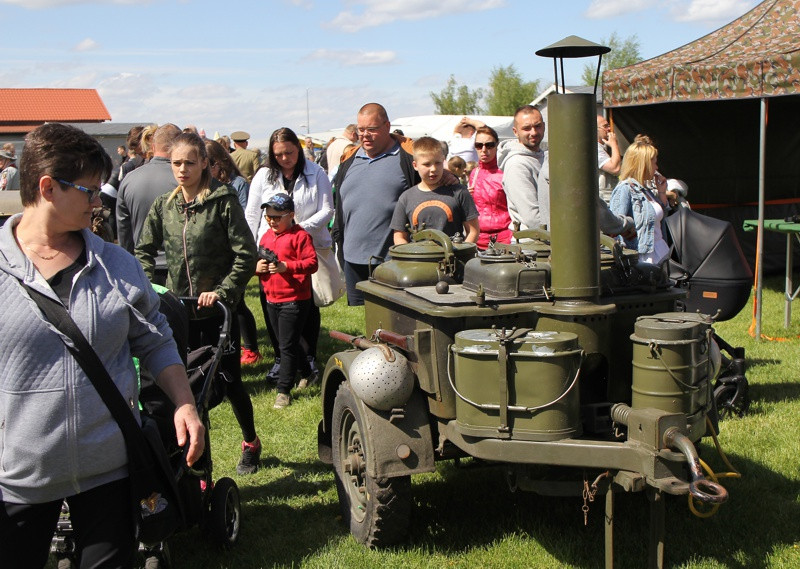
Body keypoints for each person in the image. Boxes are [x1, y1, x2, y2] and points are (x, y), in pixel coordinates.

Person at [0, 123, 203, 568]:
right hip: (19, 481)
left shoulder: (116, 264)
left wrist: (185, 404)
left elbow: (156, 340)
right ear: (47, 188)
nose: (98, 204)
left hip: (110, 474)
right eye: (89, 191)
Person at [135, 132, 261, 475]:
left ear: (205, 163)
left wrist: (223, 291)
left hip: (218, 313)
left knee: (230, 381)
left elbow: (245, 254)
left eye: (190, 162)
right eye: (176, 163)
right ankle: (197, 460)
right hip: (179, 311)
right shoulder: (165, 205)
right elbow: (143, 250)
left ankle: (250, 440)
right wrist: (151, 288)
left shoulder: (223, 201)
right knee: (189, 386)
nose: (182, 169)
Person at [246, 127, 333, 383]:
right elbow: (252, 213)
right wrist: (251, 249)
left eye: (290, 152)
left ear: (298, 149)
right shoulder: (263, 175)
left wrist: (295, 230)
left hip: (304, 246)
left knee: (305, 305)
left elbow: (327, 209)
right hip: (269, 248)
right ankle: (281, 358)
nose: (285, 158)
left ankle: (307, 358)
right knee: (271, 304)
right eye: (279, 154)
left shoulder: (316, 173)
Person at [332, 103, 421, 306]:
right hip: (353, 258)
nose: (365, 135)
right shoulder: (349, 160)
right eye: (361, 130)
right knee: (365, 321)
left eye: (372, 129)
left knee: (395, 318)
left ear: (387, 126)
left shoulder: (407, 158)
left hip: (393, 260)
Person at [256, 193, 318, 409]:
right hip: (272, 297)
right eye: (268, 216)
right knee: (287, 341)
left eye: (277, 216)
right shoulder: (266, 236)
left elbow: (312, 263)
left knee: (286, 346)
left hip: (295, 298)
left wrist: (287, 266)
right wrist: (259, 269)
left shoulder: (300, 236)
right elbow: (260, 261)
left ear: (291, 215)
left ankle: (283, 391)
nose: (272, 220)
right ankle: (309, 373)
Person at [205, 139, 262, 366]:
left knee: (237, 303)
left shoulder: (237, 184)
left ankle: (250, 348)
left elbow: (245, 217)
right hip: (216, 253)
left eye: (209, 163)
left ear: (219, 162)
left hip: (232, 250)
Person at [391, 136, 479, 245]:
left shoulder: (459, 192)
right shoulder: (406, 198)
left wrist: (460, 254)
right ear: (415, 165)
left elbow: (473, 231)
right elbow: (399, 236)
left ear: (443, 161)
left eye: (438, 163)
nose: (433, 169)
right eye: (426, 164)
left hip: (453, 259)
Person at [116, 123, 182, 253]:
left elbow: (124, 231)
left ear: (152, 146)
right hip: (178, 265)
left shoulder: (129, 179)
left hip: (141, 264)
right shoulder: (186, 180)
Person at [609, 135, 670, 265]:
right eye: (654, 162)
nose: (657, 167)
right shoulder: (625, 188)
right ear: (644, 164)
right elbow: (615, 225)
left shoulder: (644, 189)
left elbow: (659, 217)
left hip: (659, 251)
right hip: (643, 255)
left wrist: (662, 192)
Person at [498, 105, 547, 231]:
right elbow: (533, 218)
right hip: (532, 244)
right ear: (515, 131)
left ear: (544, 126)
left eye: (537, 126)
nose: (534, 132)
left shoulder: (545, 157)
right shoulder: (516, 165)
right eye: (526, 128)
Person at [469, 125, 513, 249]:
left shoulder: (505, 172)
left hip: (504, 240)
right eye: (479, 145)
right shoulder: (474, 173)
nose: (484, 149)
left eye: (489, 145)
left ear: (496, 145)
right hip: (478, 240)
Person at [597, 115, 621, 202]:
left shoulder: (603, 147)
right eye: (605, 126)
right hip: (604, 201)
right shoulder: (594, 149)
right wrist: (614, 144)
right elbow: (615, 168)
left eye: (609, 125)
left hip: (609, 198)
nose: (609, 128)